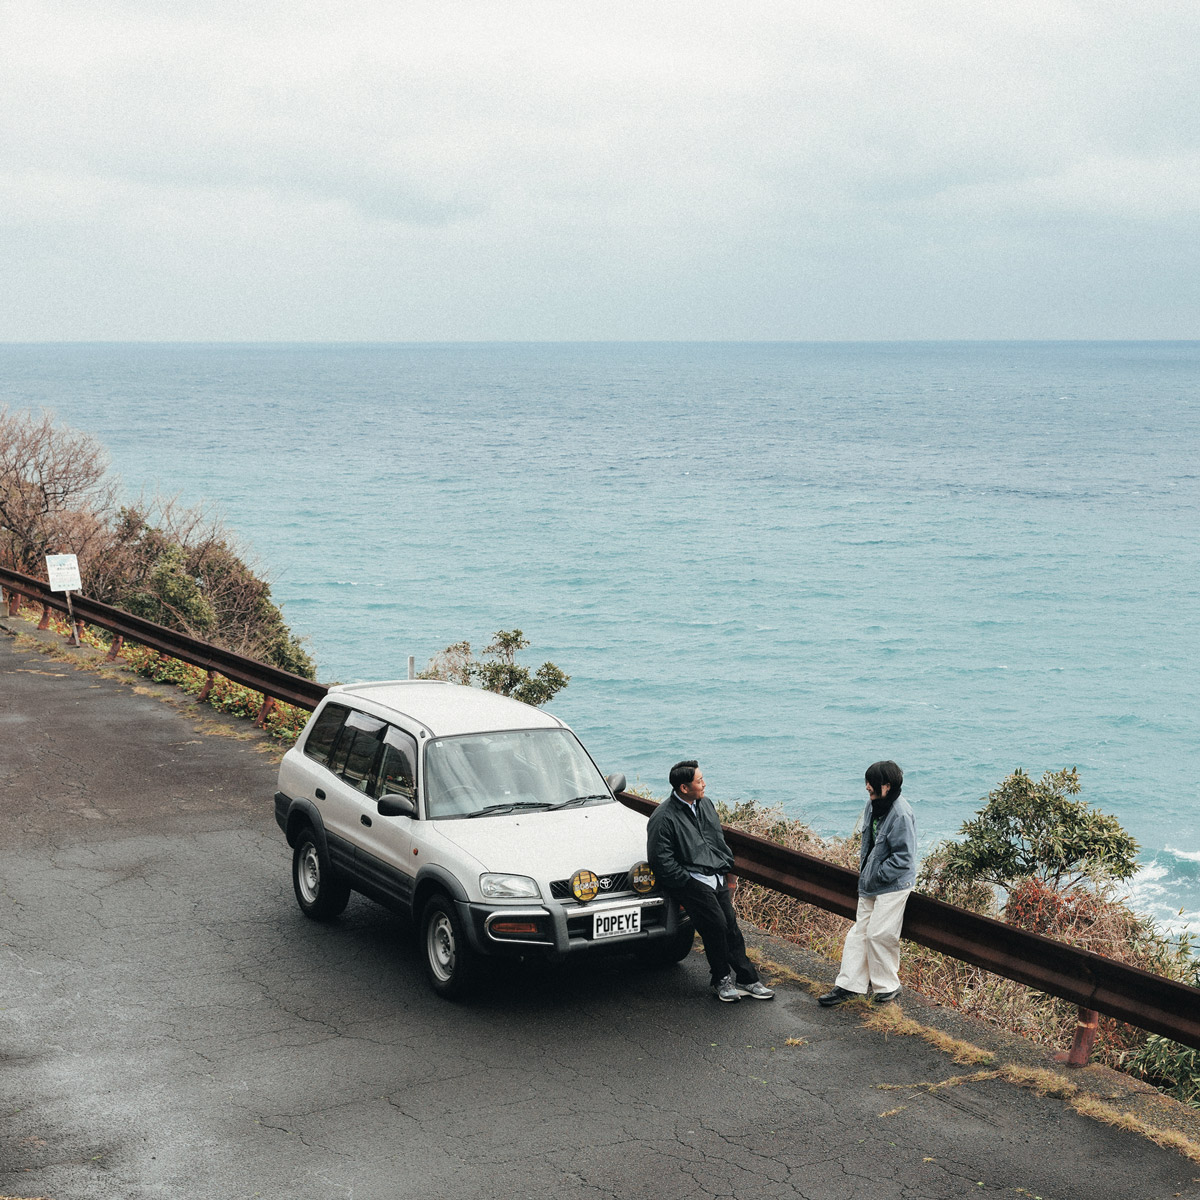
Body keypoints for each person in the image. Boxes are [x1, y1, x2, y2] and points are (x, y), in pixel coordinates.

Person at [646, 760, 775, 1003]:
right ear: (684, 788)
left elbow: (716, 837)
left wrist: (725, 862)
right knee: (715, 925)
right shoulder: (663, 817)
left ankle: (747, 979)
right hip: (692, 881)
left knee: (730, 924)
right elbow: (660, 859)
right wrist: (687, 880)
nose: (704, 783)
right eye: (699, 780)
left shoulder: (705, 804)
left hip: (715, 875)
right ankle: (721, 979)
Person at [820, 759, 916, 1007]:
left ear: (886, 786)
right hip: (870, 883)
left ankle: (888, 987)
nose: (866, 787)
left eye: (870, 783)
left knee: (879, 934)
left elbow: (904, 859)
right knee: (858, 934)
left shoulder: (901, 814)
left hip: (892, 886)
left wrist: (876, 874)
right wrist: (868, 876)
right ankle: (849, 985)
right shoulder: (874, 804)